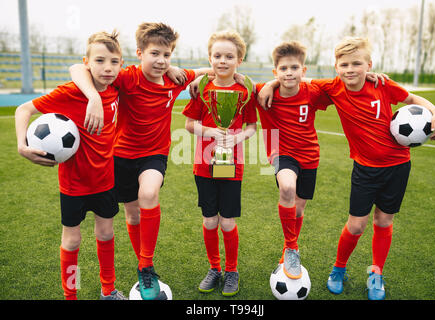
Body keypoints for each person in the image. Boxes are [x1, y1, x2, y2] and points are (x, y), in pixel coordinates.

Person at [258, 37, 435, 300]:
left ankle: (376, 273)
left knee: (384, 221)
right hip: (365, 169)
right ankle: (338, 269)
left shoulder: (383, 85)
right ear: (336, 67)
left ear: (368, 65)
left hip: (398, 166)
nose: (350, 69)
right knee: (356, 226)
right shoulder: (333, 87)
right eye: (344, 64)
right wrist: (271, 82)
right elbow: (295, 78)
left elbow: (412, 97)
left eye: (357, 63)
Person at [69, 22, 214, 300]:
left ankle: (146, 265)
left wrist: (195, 79)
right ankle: (142, 263)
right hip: (121, 155)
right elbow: (77, 68)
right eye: (155, 54)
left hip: (154, 153)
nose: (161, 61)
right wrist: (93, 98)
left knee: (149, 193)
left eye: (167, 55)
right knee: (132, 213)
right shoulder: (127, 77)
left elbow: (209, 71)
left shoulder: (175, 78)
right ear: (139, 53)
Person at [15, 30, 126, 300]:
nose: (107, 68)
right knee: (72, 240)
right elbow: (23, 110)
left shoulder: (117, 87)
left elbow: (81, 65)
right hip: (73, 185)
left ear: (121, 64)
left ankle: (108, 291)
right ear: (87, 62)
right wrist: (22, 145)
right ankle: (70, 296)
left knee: (106, 234)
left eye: (114, 62)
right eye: (99, 61)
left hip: (105, 180)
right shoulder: (70, 93)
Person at [182, 30, 257, 296]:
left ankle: (232, 270)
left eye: (229, 56)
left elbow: (252, 127)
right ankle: (214, 268)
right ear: (210, 58)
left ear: (239, 59)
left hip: (231, 165)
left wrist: (237, 138)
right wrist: (209, 132)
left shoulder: (245, 90)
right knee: (210, 220)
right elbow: (189, 125)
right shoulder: (201, 88)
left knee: (227, 222)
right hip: (204, 164)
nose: (222, 61)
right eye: (217, 56)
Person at [255, 41, 333, 279]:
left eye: (294, 68)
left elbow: (340, 89)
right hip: (281, 152)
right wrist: (269, 85)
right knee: (287, 187)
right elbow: (230, 79)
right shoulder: (262, 91)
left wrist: (370, 76)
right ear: (275, 72)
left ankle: (289, 246)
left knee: (298, 209)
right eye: (283, 69)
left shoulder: (313, 93)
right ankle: (291, 248)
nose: (289, 72)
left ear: (303, 70)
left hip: (310, 154)